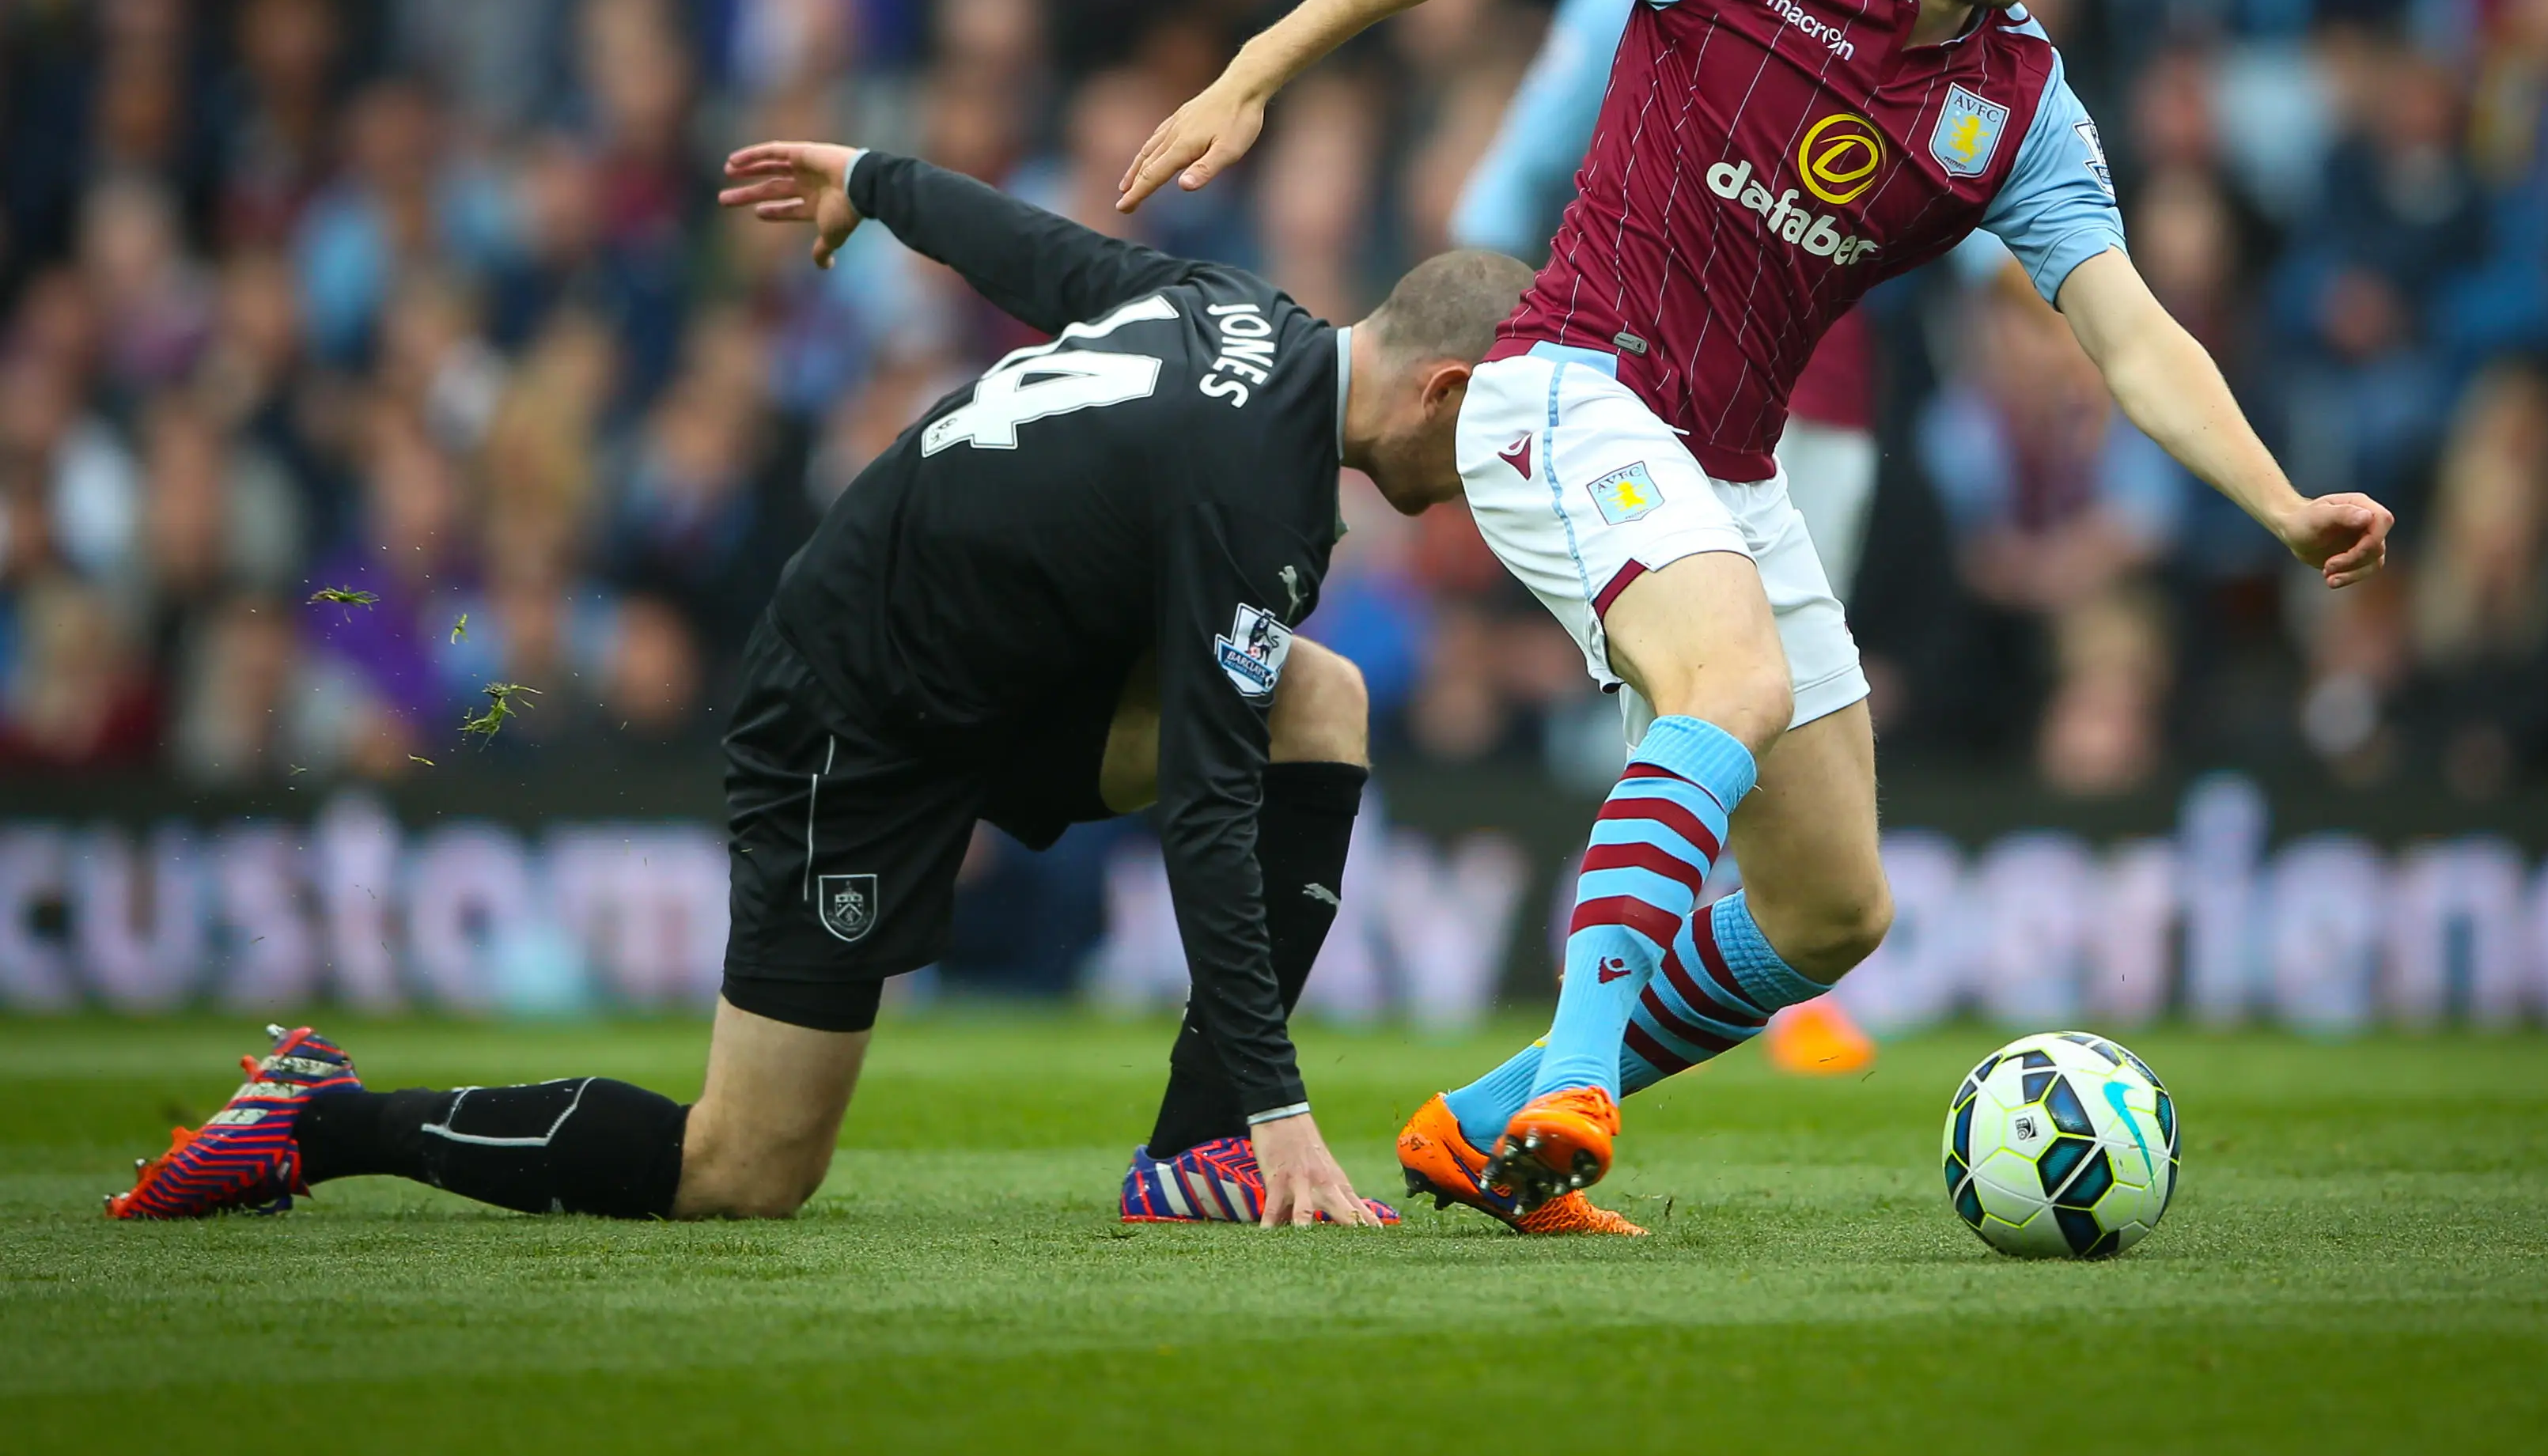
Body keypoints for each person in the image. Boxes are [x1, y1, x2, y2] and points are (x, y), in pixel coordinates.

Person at [1118, 0, 2394, 1232]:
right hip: (1570, 387)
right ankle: (1576, 1083)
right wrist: (1253, 73)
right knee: (1733, 686)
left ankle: (1479, 1126)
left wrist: (2277, 499)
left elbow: (2127, 333)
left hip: (1732, 464)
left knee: (1833, 906)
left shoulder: (2022, 106)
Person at [107, 142, 1533, 1231]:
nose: (1485, 491)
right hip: (858, 717)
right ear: (1446, 393)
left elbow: (1048, 260)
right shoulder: (1263, 494)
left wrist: (879, 179)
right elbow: (1210, 814)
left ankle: (1189, 1155)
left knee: (1320, 699)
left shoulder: (1240, 309)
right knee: (743, 1171)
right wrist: (1294, 1111)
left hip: (989, 676)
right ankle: (325, 1120)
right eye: (1498, 448)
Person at [1445, 0, 1880, 1079]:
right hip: (1630, 389)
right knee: (1698, 688)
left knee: (1773, 723)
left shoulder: (1892, 14)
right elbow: (1499, 185)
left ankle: (1741, 979)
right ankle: (1585, 1032)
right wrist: (1562, 325)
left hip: (1819, 420)